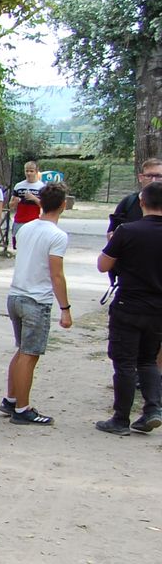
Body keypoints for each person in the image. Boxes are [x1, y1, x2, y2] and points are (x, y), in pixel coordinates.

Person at [1, 182, 72, 427]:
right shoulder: (57, 235)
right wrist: (65, 308)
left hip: (16, 295)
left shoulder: (26, 228)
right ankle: (22, 408)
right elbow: (56, 274)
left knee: (22, 350)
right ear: (63, 205)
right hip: (36, 299)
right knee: (29, 355)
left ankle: (11, 399)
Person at [94, 181, 162, 436]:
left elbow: (103, 265)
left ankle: (121, 418)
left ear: (142, 202)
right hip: (158, 308)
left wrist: (114, 245)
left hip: (129, 304)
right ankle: (152, 408)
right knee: (148, 359)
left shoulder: (127, 230)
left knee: (124, 362)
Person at [7, 160, 46, 250]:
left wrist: (34, 198)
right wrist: (15, 202)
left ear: (36, 171)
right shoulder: (19, 186)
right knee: (18, 247)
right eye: (27, 171)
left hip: (34, 222)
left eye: (31, 171)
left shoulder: (41, 187)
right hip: (19, 221)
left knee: (32, 247)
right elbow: (10, 206)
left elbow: (45, 206)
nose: (29, 173)